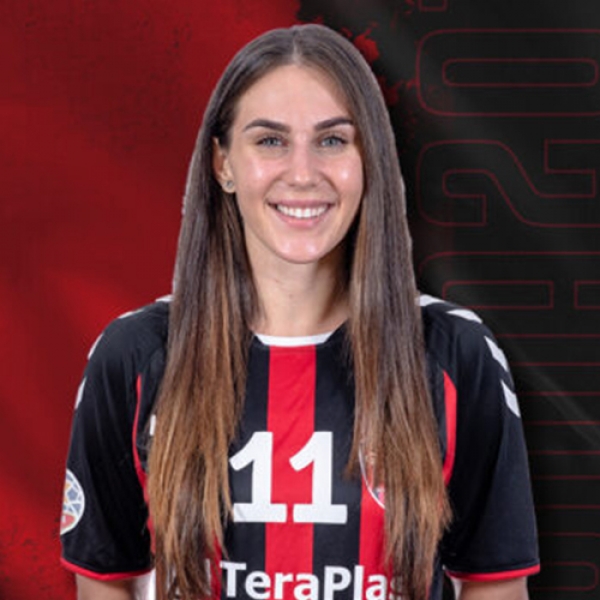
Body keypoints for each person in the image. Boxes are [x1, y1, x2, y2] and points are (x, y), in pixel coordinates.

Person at [60, 24, 539, 600]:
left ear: (370, 159)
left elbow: (494, 585)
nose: (303, 173)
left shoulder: (454, 352)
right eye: (270, 140)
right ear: (222, 164)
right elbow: (104, 581)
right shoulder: (136, 356)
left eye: (332, 140)